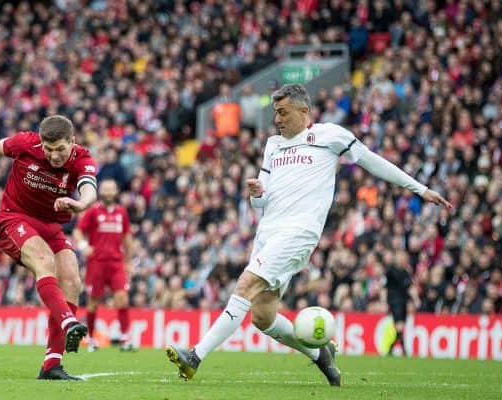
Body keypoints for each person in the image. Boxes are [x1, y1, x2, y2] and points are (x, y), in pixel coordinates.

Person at [165, 84, 452, 386]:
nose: (278, 119)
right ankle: (321, 355)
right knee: (263, 317)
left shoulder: (331, 136)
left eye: (283, 113)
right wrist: (256, 194)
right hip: (268, 233)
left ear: (304, 111)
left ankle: (195, 356)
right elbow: (261, 201)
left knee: (245, 284)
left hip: (299, 232)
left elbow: (372, 161)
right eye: (276, 113)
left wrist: (420, 189)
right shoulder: (273, 145)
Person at [0, 115, 98, 380]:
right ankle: (68, 322)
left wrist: (81, 204)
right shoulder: (25, 143)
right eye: (49, 149)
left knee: (72, 280)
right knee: (43, 261)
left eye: (60, 149)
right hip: (13, 218)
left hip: (51, 226)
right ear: (41, 143)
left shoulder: (82, 159)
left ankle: (52, 365)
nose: (54, 156)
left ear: (72, 142)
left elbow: (89, 190)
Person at [72, 178, 134, 352]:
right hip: (96, 263)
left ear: (116, 191)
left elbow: (127, 238)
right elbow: (78, 230)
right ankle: (91, 339)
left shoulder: (122, 212)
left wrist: (128, 262)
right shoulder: (93, 212)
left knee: (122, 299)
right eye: (105, 189)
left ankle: (124, 338)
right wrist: (83, 246)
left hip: (116, 263)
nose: (108, 192)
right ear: (101, 191)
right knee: (93, 302)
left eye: (111, 189)